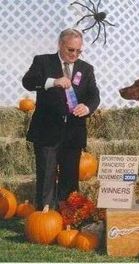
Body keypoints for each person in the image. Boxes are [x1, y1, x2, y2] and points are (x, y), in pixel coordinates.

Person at [22, 28, 100, 210]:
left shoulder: (86, 69)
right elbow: (27, 81)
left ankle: (69, 218)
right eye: (70, 50)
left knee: (70, 177)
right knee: (46, 175)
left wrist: (87, 107)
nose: (74, 54)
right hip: (47, 130)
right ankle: (44, 213)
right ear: (60, 45)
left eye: (78, 51)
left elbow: (94, 95)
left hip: (73, 131)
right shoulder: (42, 61)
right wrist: (52, 82)